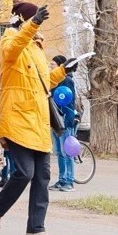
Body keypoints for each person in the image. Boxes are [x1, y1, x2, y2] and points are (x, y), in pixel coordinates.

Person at [0, 1, 74, 235]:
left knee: (43, 176)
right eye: (35, 19)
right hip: (16, 117)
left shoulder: (36, 46)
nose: (39, 26)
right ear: (24, 19)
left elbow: (42, 82)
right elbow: (11, 52)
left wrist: (63, 71)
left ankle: (36, 229)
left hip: (37, 119)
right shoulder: (10, 39)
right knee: (24, 172)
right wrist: (32, 24)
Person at [48, 55, 76, 193]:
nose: (50, 67)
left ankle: (69, 181)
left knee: (67, 152)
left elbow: (69, 101)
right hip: (55, 120)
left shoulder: (67, 81)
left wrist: (67, 119)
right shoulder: (53, 81)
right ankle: (61, 180)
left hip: (65, 120)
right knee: (59, 152)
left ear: (60, 66)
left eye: (53, 65)